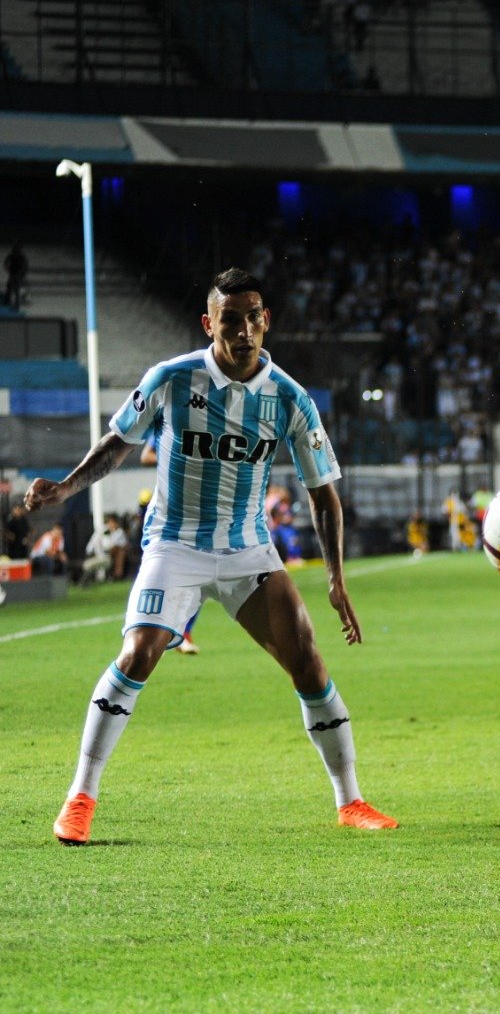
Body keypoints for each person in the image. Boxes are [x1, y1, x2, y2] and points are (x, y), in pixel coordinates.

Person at [23, 267, 395, 845]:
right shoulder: (172, 379)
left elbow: (323, 494)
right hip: (175, 544)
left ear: (266, 319)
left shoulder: (290, 400)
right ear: (209, 323)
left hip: (248, 548)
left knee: (310, 665)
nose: (244, 330)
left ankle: (352, 801)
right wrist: (66, 488)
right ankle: (79, 798)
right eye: (231, 319)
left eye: (253, 317)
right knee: (138, 653)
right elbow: (117, 443)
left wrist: (336, 580)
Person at [140, 439, 202, 654]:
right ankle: (160, 633)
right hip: (171, 514)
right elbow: (146, 455)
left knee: (198, 582)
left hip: (199, 510)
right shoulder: (170, 416)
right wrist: (177, 459)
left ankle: (180, 632)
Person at [82, 514, 128, 583]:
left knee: (120, 552)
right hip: (102, 554)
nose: (110, 524)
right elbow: (95, 542)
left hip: (113, 554)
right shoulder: (104, 531)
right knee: (88, 564)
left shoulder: (120, 532)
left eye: (112, 522)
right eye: (109, 522)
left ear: (115, 523)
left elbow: (123, 545)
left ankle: (117, 575)